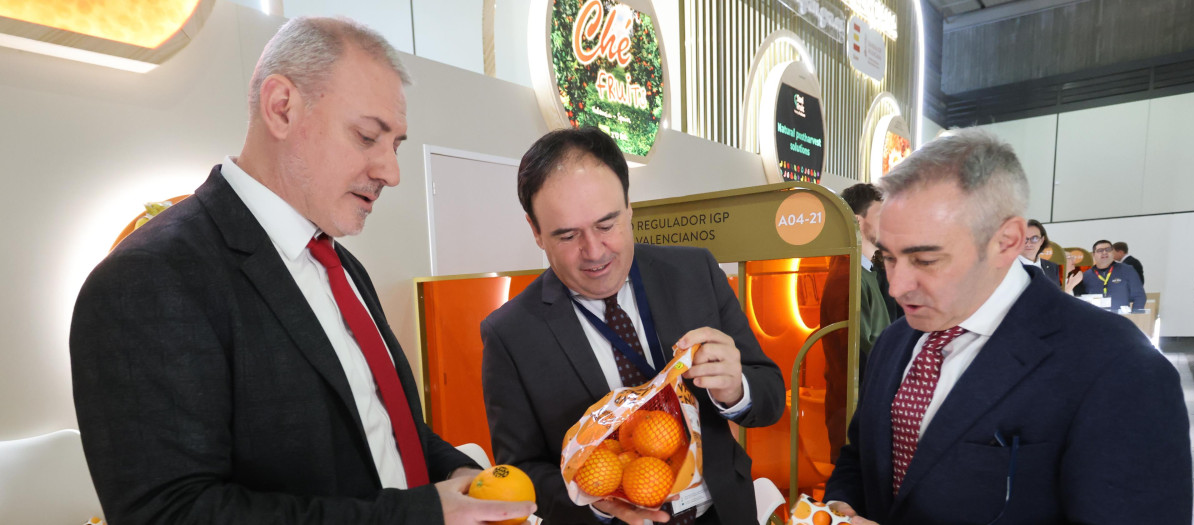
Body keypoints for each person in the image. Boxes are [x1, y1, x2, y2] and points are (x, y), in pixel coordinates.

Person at [69, 17, 534, 525]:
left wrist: (459, 477)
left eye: (395, 144)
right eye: (366, 136)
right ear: (281, 107)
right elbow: (172, 512)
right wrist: (417, 514)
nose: (391, 172)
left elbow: (387, 430)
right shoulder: (149, 279)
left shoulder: (343, 267)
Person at [823, 128, 1189, 524]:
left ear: (1006, 241)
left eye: (925, 260)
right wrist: (840, 510)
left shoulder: (1117, 367)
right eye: (889, 258)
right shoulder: (896, 342)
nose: (896, 286)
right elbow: (860, 458)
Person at [480, 127, 784, 524]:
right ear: (536, 231)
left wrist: (736, 389)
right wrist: (594, 500)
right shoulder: (511, 334)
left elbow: (770, 393)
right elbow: (523, 469)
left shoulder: (695, 273)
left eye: (606, 225)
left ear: (629, 208)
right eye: (568, 235)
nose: (593, 252)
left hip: (722, 512)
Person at [821, 183, 892, 458]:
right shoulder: (848, 276)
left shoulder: (866, 273)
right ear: (859, 221)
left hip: (867, 404)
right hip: (855, 409)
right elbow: (860, 349)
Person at [1073, 239, 1146, 311]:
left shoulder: (1127, 270)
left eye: (1108, 249)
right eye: (1100, 250)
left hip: (1120, 319)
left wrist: (1135, 316)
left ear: (1113, 253)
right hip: (1096, 319)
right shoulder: (1086, 276)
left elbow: (1139, 296)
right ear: (1094, 255)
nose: (1104, 252)